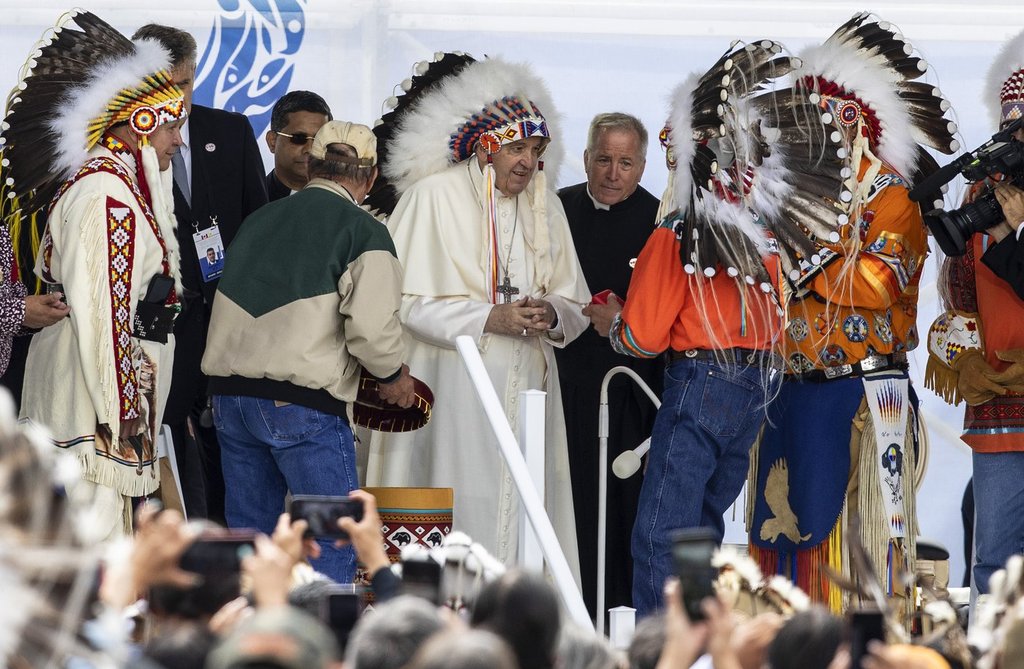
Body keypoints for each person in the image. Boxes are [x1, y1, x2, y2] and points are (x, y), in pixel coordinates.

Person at [745, 14, 958, 615]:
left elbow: (877, 281)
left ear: (851, 124)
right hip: (789, 389)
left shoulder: (894, 197)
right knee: (783, 528)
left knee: (863, 549)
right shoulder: (788, 194)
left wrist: (805, 261)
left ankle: (858, 641)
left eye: (819, 122)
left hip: (862, 397)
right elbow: (759, 276)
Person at [584, 42, 787, 616]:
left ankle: (663, 650)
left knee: (659, 536)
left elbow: (642, 338)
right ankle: (700, 640)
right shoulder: (765, 228)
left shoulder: (677, 232)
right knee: (702, 534)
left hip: (701, 382)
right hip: (757, 386)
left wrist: (610, 322)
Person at [365, 55, 590, 571]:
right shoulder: (431, 197)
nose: (527, 162)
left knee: (527, 511)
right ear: (486, 147)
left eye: (535, 150)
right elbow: (400, 304)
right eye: (516, 148)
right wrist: (489, 318)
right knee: (458, 508)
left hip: (531, 391)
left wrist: (550, 315)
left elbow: (575, 303)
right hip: (454, 391)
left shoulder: (546, 206)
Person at [202, 120, 415, 582]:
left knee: (252, 548)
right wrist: (394, 376)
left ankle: (252, 644)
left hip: (230, 401)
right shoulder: (363, 230)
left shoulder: (260, 218)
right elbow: (373, 334)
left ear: (312, 167)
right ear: (371, 176)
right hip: (300, 405)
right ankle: (324, 650)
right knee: (329, 547)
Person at [4, 11, 188, 538]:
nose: (179, 141)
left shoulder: (116, 185)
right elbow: (103, 307)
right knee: (97, 540)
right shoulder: (106, 194)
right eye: (173, 126)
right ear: (141, 124)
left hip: (91, 389)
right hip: (92, 403)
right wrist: (121, 410)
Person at [132, 23, 269, 524]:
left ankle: (231, 556)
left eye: (184, 85)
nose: (178, 99)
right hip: (161, 327)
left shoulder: (230, 132)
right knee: (162, 443)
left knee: (231, 449)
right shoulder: (124, 146)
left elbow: (257, 224)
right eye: (164, 86)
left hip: (228, 325)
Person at [925, 28, 1024, 596]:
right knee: (993, 566)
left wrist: (1015, 231)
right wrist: (957, 350)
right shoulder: (982, 190)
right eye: (1011, 125)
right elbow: (957, 289)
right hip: (998, 411)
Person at [555, 112, 662, 615]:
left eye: (625, 162)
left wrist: (626, 320)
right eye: (603, 159)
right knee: (566, 504)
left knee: (621, 516)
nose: (612, 173)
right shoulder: (556, 210)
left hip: (629, 394)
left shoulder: (661, 223)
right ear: (586, 160)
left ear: (642, 167)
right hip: (563, 385)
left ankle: (623, 626)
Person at [265, 90, 333, 201]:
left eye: (319, 139)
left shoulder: (343, 204)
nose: (310, 149)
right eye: (299, 138)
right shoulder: (248, 203)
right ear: (272, 141)